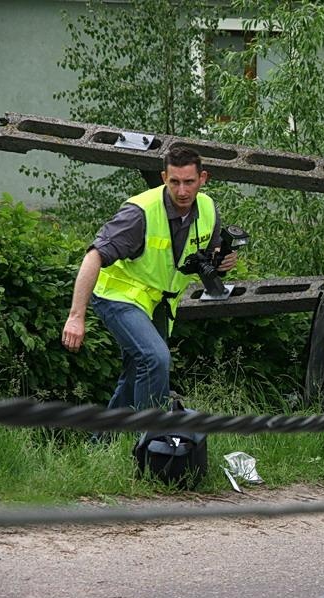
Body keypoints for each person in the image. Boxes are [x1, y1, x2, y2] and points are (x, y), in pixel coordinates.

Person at [61, 147, 238, 413]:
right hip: (118, 295)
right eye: (174, 181)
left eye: (189, 182)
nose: (181, 191)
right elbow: (93, 256)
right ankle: (150, 439)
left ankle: (106, 444)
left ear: (203, 179)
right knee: (155, 359)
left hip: (158, 301)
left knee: (137, 371)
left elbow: (207, 255)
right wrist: (76, 317)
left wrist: (222, 261)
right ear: (164, 176)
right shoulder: (140, 212)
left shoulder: (207, 208)